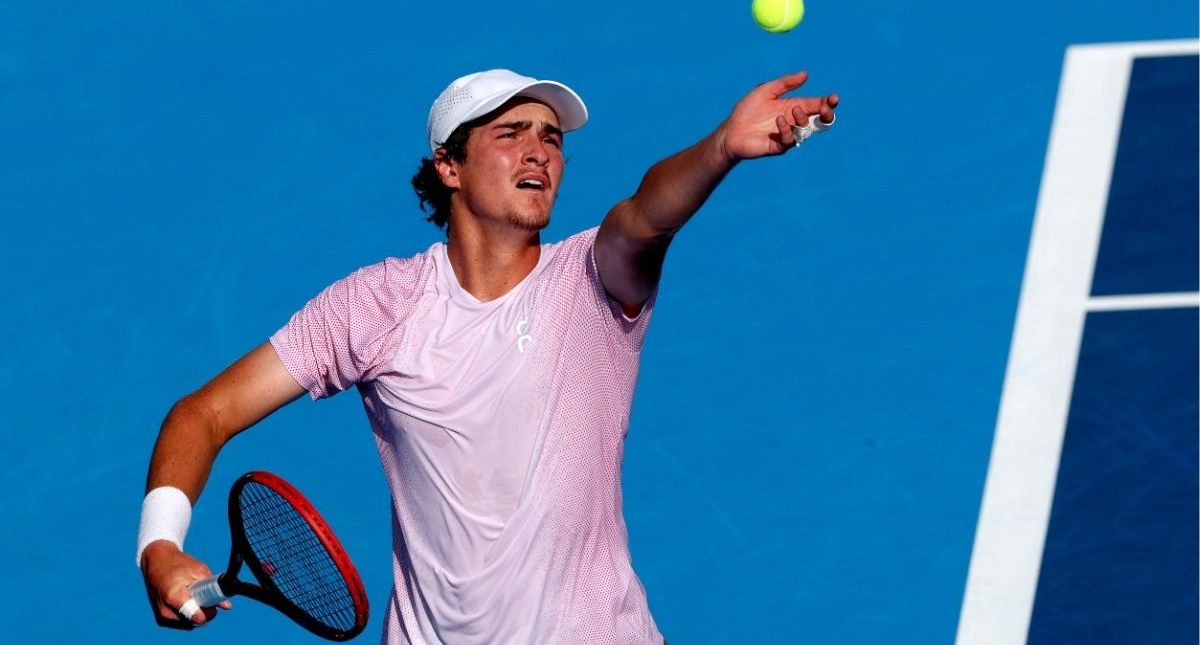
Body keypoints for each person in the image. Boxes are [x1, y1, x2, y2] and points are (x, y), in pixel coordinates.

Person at [137, 68, 838, 644]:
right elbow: (207, 411)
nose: (540, 152)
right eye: (512, 135)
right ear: (449, 165)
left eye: (552, 139)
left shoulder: (592, 280)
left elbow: (647, 215)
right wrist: (160, 545)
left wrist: (719, 149)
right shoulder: (375, 306)